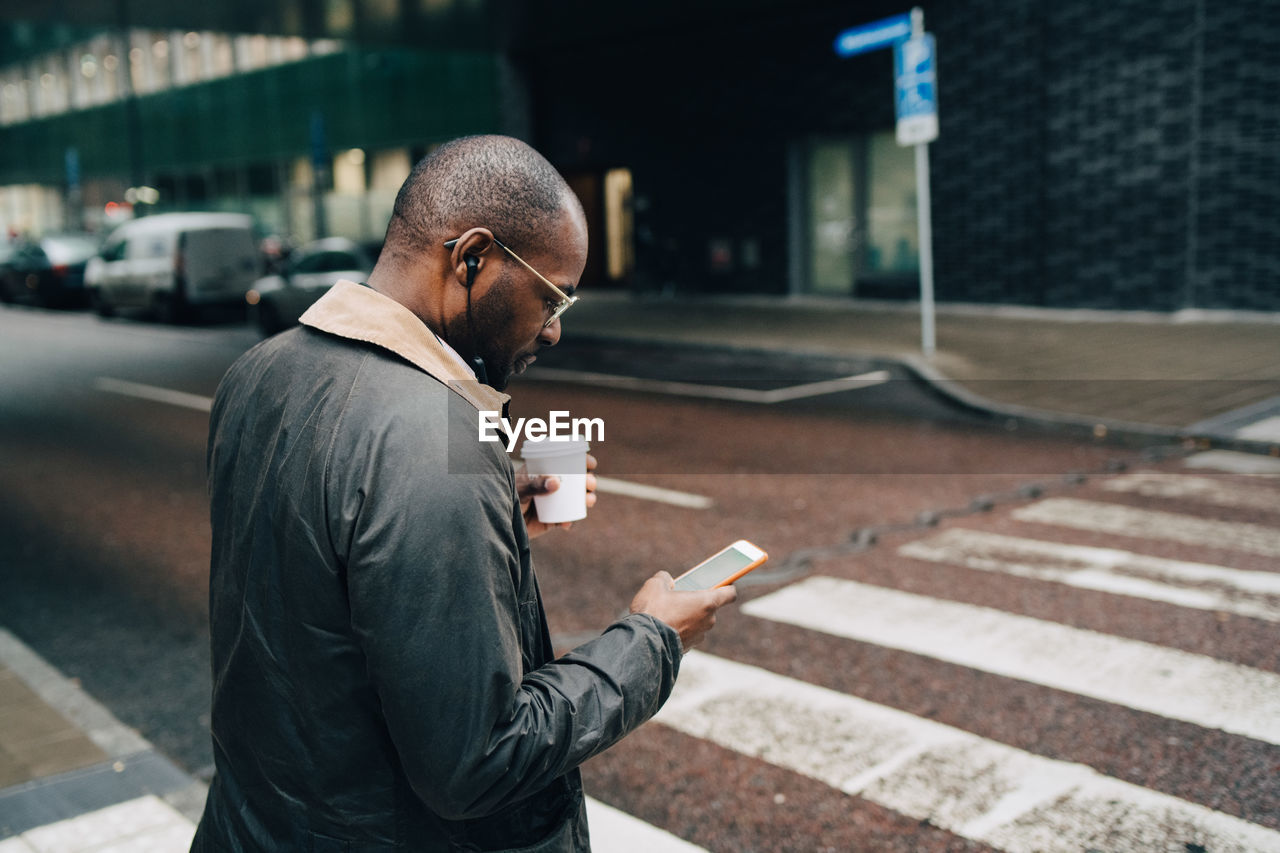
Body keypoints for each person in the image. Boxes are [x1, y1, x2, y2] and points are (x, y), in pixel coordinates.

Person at [192, 135, 737, 852]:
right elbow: (477, 763)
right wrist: (652, 640)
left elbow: (316, 565)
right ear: (471, 257)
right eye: (550, 294)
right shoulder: (432, 434)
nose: (555, 327)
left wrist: (494, 518)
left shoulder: (256, 373)